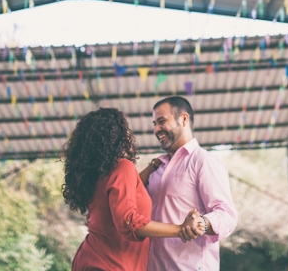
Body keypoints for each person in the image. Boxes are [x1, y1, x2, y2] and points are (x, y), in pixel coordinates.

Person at [62, 108, 206, 271]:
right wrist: (180, 229)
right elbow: (129, 222)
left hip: (94, 260)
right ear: (117, 135)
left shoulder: (99, 175)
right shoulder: (121, 167)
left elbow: (128, 188)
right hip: (109, 264)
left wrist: (151, 168)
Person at [140, 96, 238, 271]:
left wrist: (201, 223)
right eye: (154, 124)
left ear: (184, 119)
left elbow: (227, 215)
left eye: (162, 121)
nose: (156, 129)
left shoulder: (204, 161)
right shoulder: (155, 167)